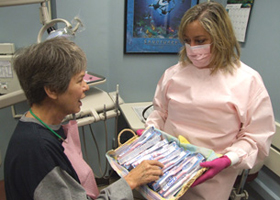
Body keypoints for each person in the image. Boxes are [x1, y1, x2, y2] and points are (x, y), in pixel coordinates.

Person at [4, 37, 164, 200]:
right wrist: (130, 181)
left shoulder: (43, 129)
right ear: (52, 90)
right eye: (80, 80)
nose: (86, 87)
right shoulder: (36, 151)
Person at [145, 2, 275, 200]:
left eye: (200, 40)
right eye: (187, 40)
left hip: (212, 179)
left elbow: (256, 136)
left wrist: (227, 159)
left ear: (220, 37)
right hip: (168, 170)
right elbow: (160, 113)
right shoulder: (173, 75)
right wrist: (150, 132)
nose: (192, 48)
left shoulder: (247, 80)